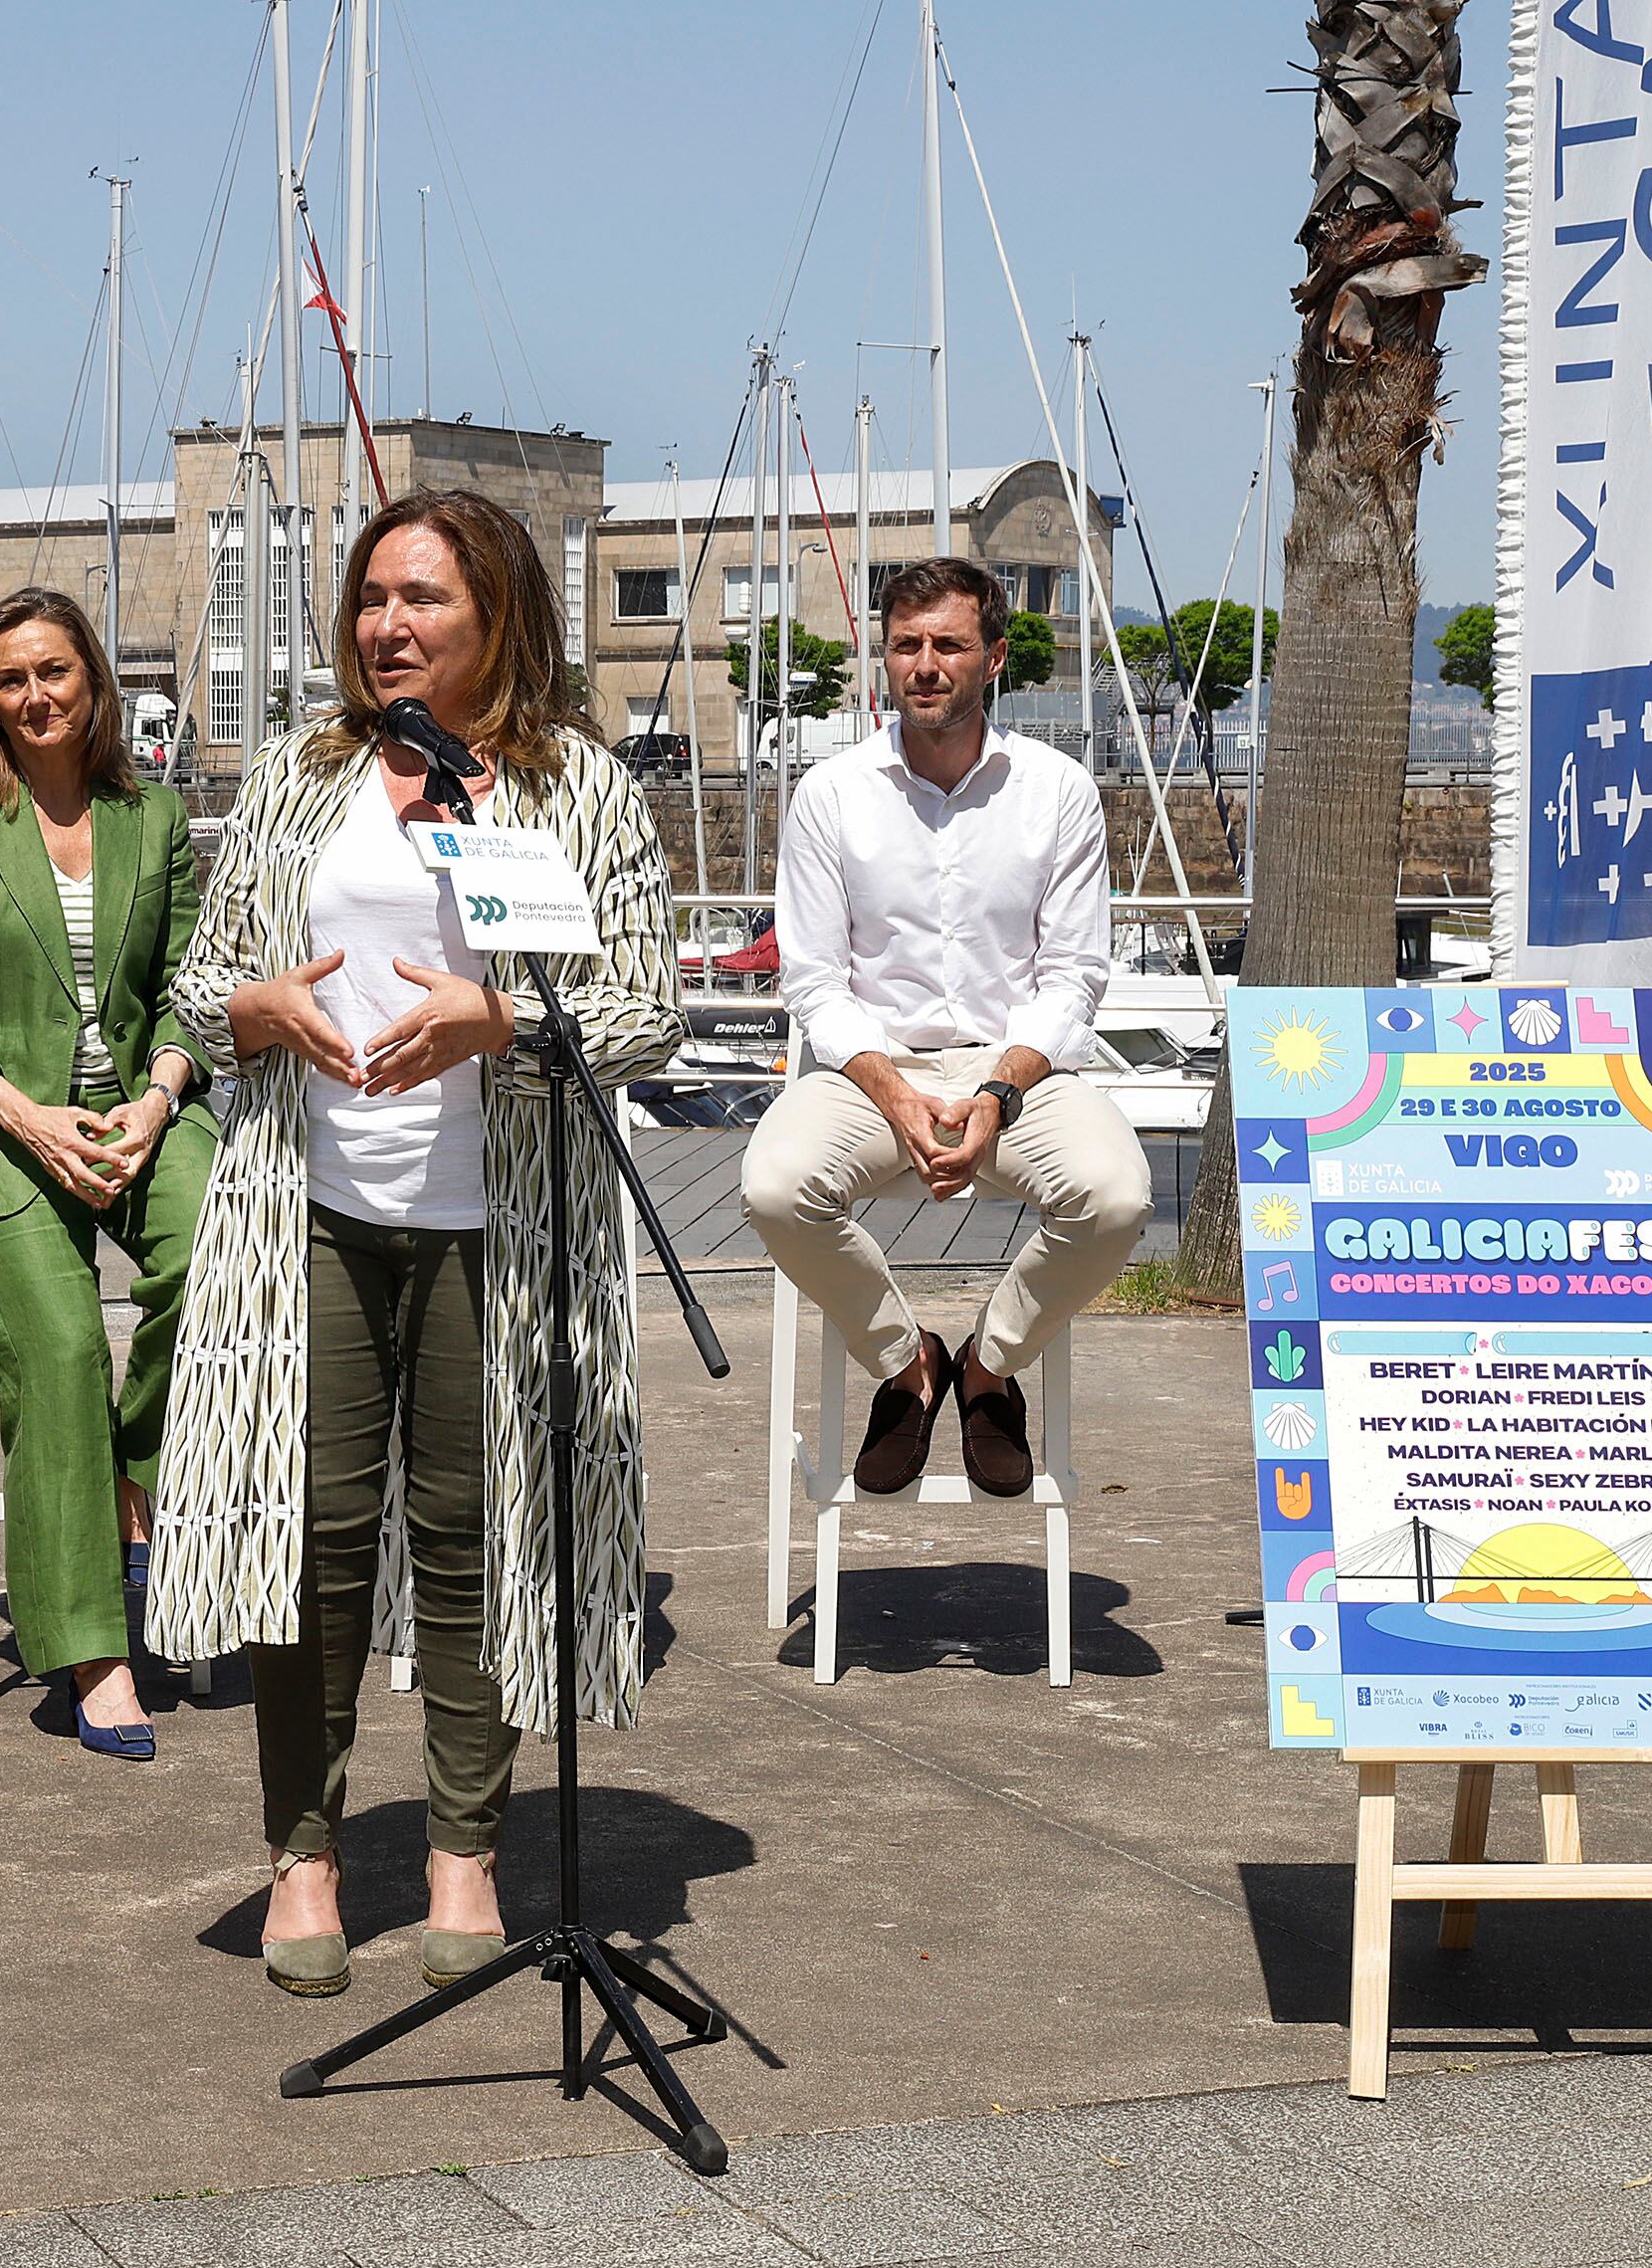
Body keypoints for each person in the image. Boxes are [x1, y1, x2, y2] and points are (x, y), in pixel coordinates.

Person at [148, 488, 680, 1997]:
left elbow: (645, 1013)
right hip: (303, 1213)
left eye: (423, 598)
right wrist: (253, 1008)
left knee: (474, 1532)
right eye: (372, 597)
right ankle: (304, 1854)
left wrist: (499, 1020)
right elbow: (201, 988)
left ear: (496, 615)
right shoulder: (297, 774)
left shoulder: (576, 787)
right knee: (306, 1537)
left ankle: (464, 1849)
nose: (387, 624)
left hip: (499, 1230)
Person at [742, 553, 1151, 1499]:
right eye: (905, 645)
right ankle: (908, 1362)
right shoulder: (830, 793)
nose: (924, 665)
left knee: (1115, 1198)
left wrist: (996, 1094)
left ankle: (988, 1366)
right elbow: (814, 980)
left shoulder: (1056, 790)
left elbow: (1073, 977)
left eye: (948, 645)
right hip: (869, 1069)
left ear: (993, 658)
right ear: (884, 657)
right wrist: (894, 1094)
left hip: (1017, 1072)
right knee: (773, 1189)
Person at [0, 589, 212, 1760]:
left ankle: (134, 1481)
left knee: (224, 1250)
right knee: (67, 1349)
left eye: (54, 671)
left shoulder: (153, 815)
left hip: (136, 1111)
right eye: (10, 679)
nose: (35, 696)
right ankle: (94, 1653)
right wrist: (28, 1116)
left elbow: (188, 986)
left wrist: (157, 1097)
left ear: (93, 681)